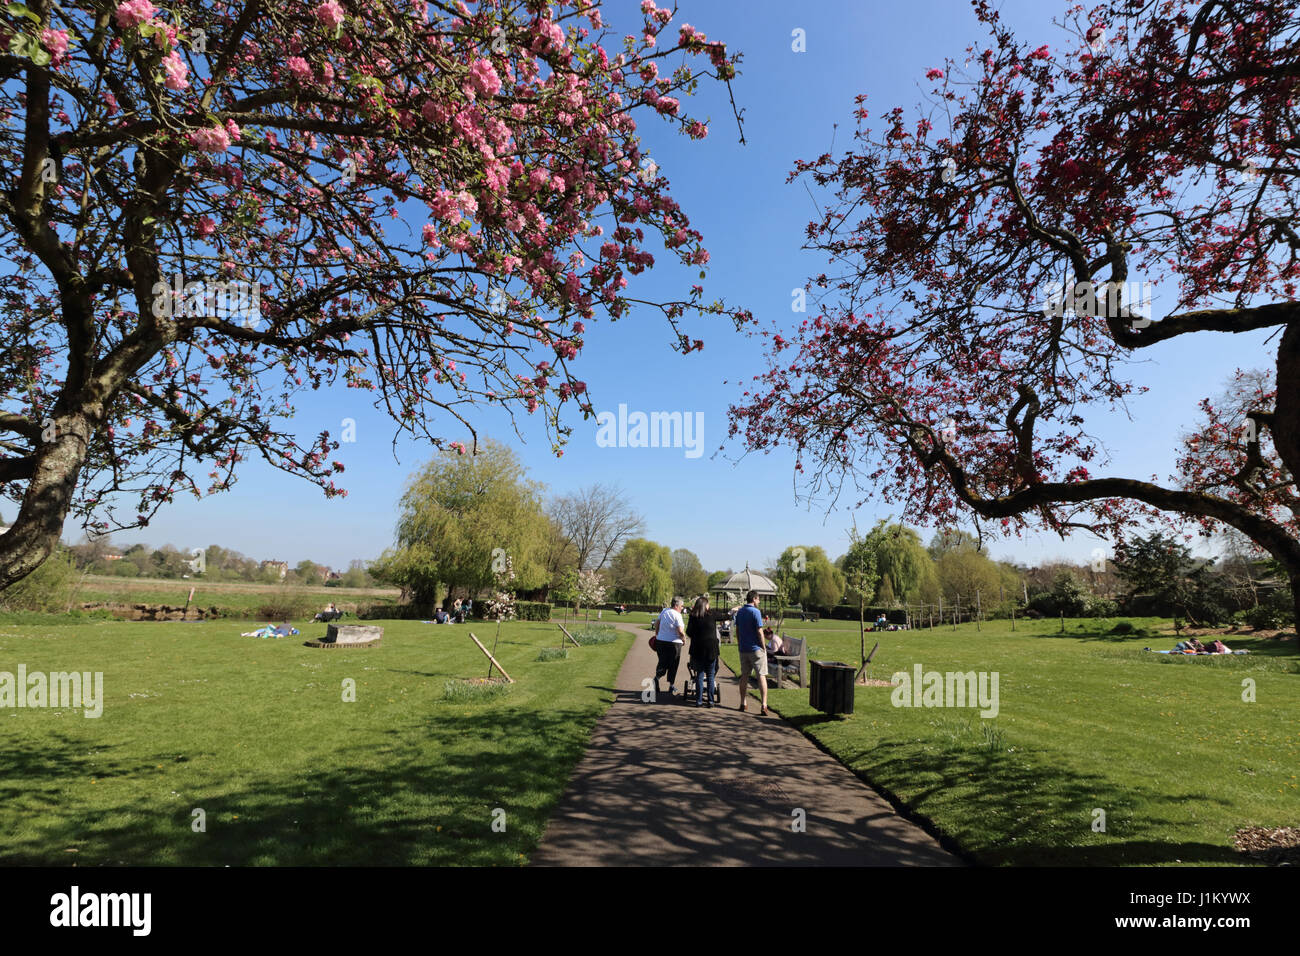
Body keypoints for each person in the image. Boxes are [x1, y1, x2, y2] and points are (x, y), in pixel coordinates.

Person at [735, 590, 770, 715]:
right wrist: (764, 647)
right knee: (761, 675)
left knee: (744, 676)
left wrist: (739, 644)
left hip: (744, 649)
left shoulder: (740, 612)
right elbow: (760, 631)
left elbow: (737, 630)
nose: (759, 601)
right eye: (758, 599)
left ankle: (743, 702)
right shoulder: (755, 612)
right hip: (756, 649)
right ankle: (764, 704)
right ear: (754, 599)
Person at [686, 596, 718, 707]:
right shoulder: (712, 615)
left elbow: (689, 632)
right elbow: (725, 616)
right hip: (711, 650)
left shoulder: (693, 617)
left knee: (699, 675)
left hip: (697, 649)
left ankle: (699, 701)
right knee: (710, 675)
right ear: (705, 605)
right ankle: (710, 700)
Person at [654, 597, 687, 697]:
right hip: (674, 643)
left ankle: (656, 679)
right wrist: (684, 639)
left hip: (661, 641)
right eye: (682, 606)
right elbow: (680, 631)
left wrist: (657, 634)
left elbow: (657, 623)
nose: (682, 608)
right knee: (673, 664)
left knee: (662, 661)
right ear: (676, 606)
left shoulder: (664, 611)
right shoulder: (677, 615)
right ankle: (671, 685)